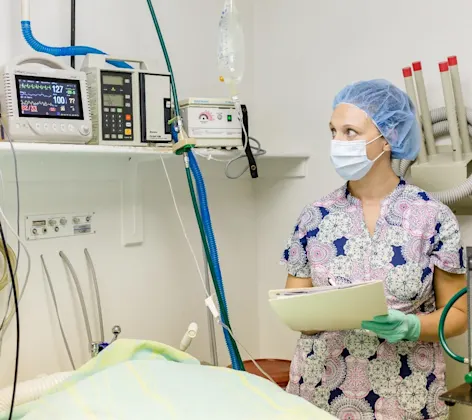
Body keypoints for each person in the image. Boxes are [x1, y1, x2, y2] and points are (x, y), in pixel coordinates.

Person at [281, 79, 467, 419]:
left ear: (389, 137)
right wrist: (316, 314)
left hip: (407, 398)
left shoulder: (433, 218)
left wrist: (413, 327)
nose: (337, 142)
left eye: (350, 132)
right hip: (320, 393)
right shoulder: (314, 217)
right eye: (333, 131)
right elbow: (297, 309)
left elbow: (457, 316)